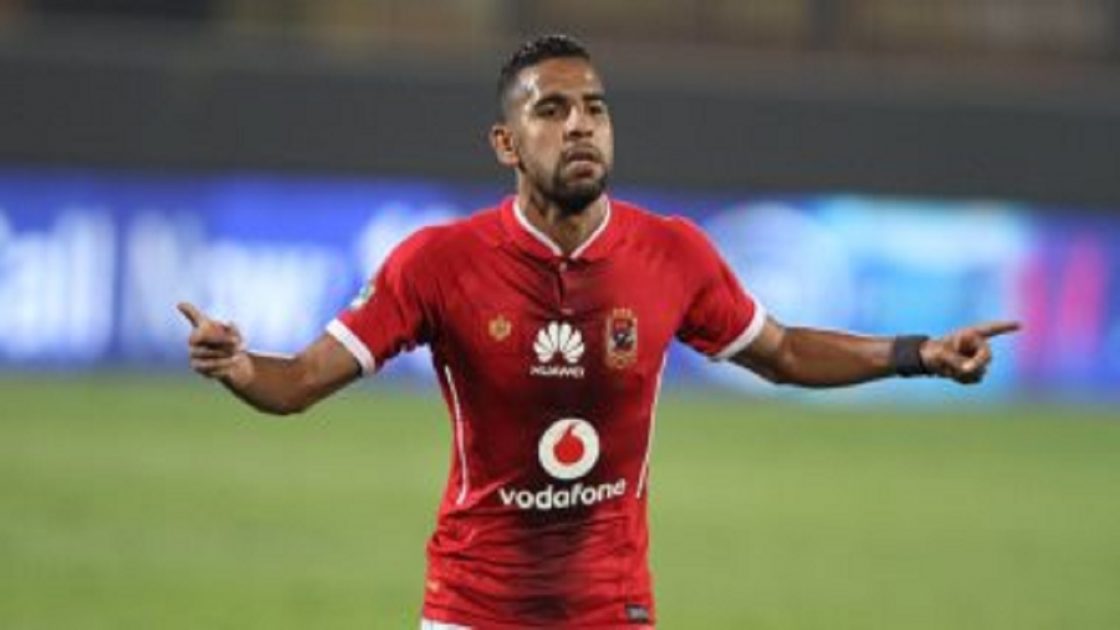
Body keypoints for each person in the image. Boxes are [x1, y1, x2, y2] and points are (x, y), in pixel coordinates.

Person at [178, 34, 1019, 630]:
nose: (580, 124)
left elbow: (786, 353)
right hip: (473, 609)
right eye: (552, 110)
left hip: (612, 609)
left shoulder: (672, 254)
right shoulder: (439, 263)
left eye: (594, 108)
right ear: (506, 143)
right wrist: (239, 366)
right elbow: (297, 383)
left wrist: (918, 354)